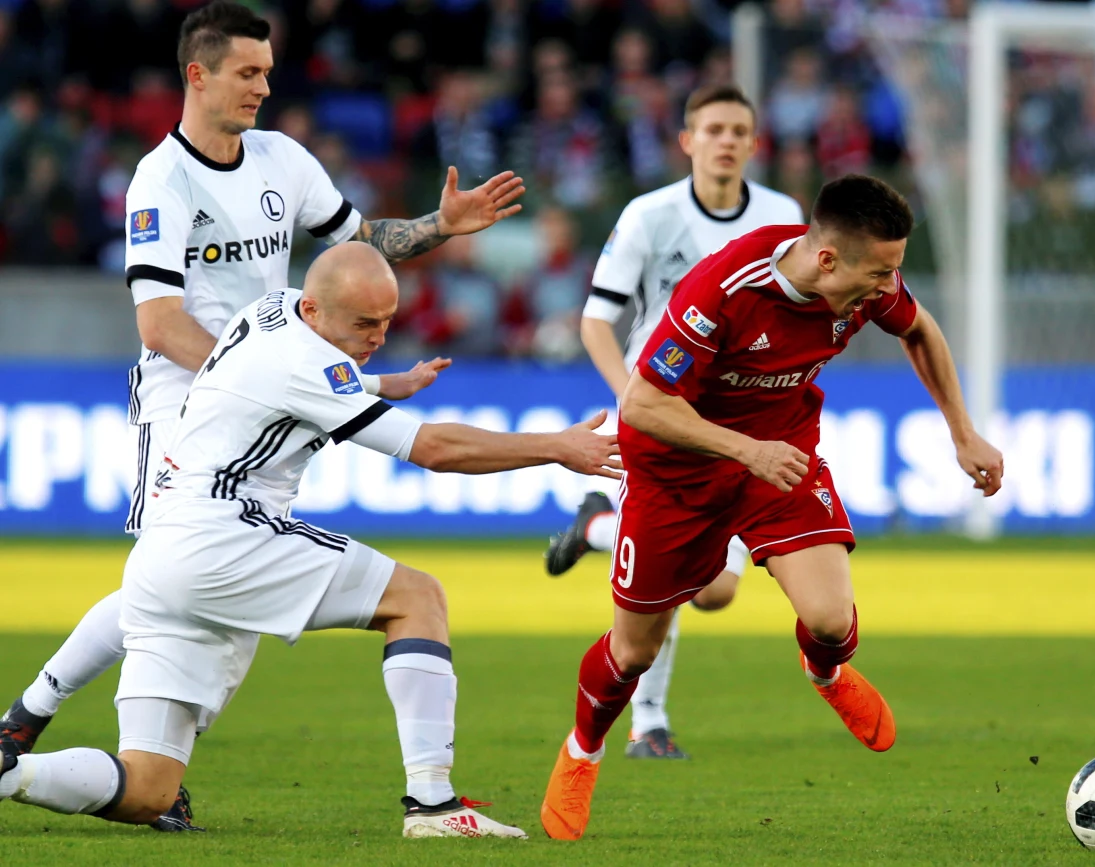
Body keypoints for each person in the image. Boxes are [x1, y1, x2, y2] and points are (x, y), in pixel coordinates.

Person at [0, 1, 525, 831]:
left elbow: (360, 244)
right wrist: (268, 380)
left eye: (269, 72)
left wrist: (440, 226)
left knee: (173, 577)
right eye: (247, 72)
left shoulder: (282, 159)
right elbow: (159, 323)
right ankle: (27, 718)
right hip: (192, 395)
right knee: (167, 567)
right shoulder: (161, 181)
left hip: (283, 389)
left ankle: (96, 753)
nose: (263, 87)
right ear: (197, 75)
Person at [0, 242, 620, 838]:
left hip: (164, 556)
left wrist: (378, 384)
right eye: (364, 323)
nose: (378, 336)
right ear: (318, 311)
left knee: (147, 789)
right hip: (227, 537)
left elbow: (285, 382)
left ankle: (12, 772)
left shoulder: (269, 310)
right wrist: (555, 447)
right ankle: (433, 804)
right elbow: (432, 449)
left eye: (386, 321)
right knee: (416, 598)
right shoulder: (307, 361)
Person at [539, 175, 1005, 840]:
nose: (888, 288)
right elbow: (642, 403)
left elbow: (921, 328)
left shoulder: (867, 280)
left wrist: (963, 430)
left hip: (777, 459)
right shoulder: (723, 290)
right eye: (880, 273)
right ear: (826, 260)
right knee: (632, 653)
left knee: (829, 617)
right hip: (676, 473)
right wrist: (744, 449)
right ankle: (583, 750)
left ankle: (826, 670)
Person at [543, 84, 802, 759]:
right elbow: (598, 319)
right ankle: (648, 721)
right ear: (687, 141)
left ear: (753, 143)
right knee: (667, 578)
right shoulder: (648, 216)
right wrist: (636, 398)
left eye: (738, 130)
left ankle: (595, 526)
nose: (725, 140)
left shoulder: (784, 217)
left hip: (741, 420)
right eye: (712, 128)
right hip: (660, 417)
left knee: (715, 591)